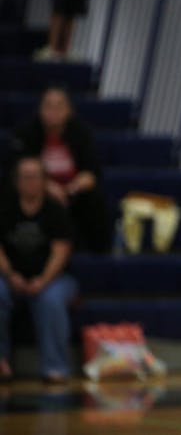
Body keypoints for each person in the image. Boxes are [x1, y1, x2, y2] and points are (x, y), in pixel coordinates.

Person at [0, 157, 78, 383]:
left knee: (51, 301)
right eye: (25, 177)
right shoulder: (5, 207)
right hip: (9, 276)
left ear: (45, 181)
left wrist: (43, 281)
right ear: (16, 182)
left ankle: (55, 368)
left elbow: (60, 251)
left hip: (54, 278)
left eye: (35, 176)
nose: (30, 182)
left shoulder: (56, 211)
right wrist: (10, 274)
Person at [8, 87, 110, 253]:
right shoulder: (26, 132)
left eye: (59, 106)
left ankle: (96, 254)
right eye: (48, 106)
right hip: (37, 190)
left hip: (72, 192)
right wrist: (46, 186)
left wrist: (72, 188)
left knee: (94, 198)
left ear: (69, 111)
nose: (53, 112)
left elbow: (91, 173)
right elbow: (16, 170)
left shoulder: (82, 133)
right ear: (40, 109)